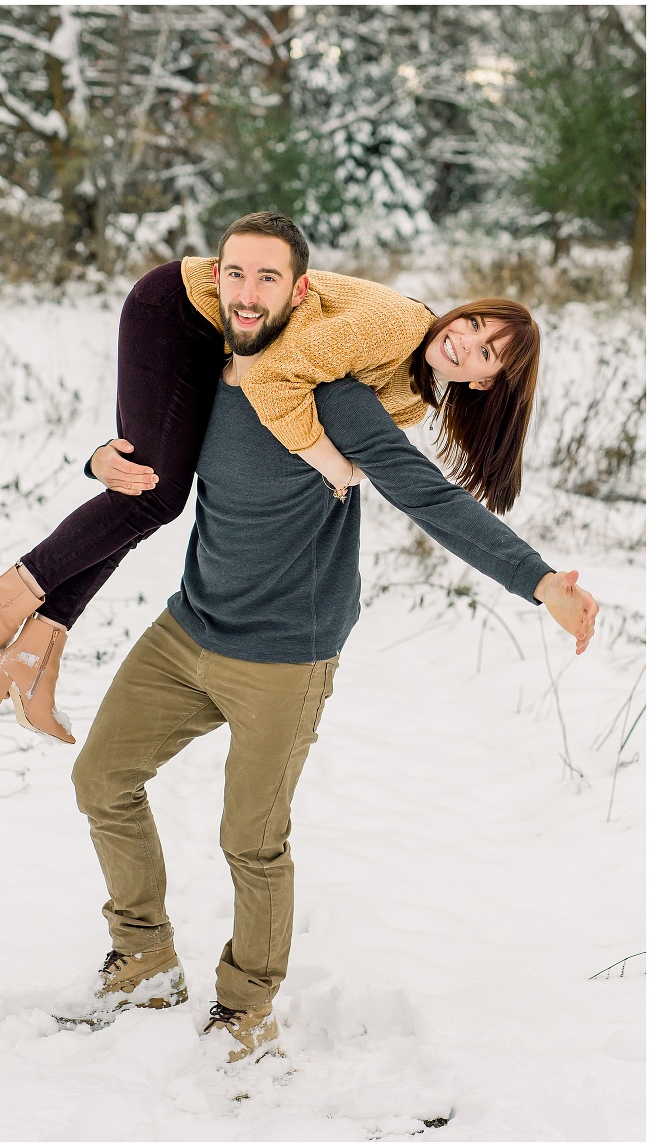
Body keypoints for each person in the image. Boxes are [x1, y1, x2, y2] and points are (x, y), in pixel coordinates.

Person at [62, 222, 598, 1063]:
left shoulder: (339, 394)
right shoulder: (208, 367)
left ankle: (245, 1008)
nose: (248, 294)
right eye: (238, 278)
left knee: (250, 838)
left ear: (299, 287)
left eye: (489, 349)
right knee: (101, 778)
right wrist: (92, 457)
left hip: (284, 651)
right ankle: (143, 956)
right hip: (190, 623)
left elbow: (427, 495)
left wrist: (538, 581)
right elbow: (141, 452)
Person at [0, 213, 540, 743]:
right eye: (475, 323)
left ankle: (35, 654)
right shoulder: (398, 326)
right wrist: (329, 461)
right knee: (155, 494)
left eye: (486, 352)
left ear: (486, 384)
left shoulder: (415, 396)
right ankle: (6, 593)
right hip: (180, 310)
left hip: (226, 337)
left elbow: (327, 408)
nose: (466, 342)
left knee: (145, 491)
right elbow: (274, 376)